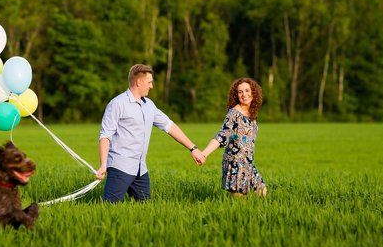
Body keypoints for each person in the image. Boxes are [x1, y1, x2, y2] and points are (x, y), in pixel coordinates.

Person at [95, 64, 205, 202]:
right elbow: (105, 136)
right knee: (109, 207)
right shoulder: (117, 104)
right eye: (149, 82)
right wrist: (103, 164)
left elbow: (169, 126)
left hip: (140, 169)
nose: (151, 86)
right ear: (138, 82)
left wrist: (193, 148)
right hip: (120, 167)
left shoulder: (149, 105)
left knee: (146, 207)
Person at [200, 77, 268, 197]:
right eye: (240, 92)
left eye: (247, 90)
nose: (244, 94)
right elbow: (222, 135)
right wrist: (204, 153)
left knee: (262, 191)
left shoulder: (251, 114)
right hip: (235, 164)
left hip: (248, 164)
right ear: (236, 95)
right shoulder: (233, 114)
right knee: (239, 202)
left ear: (253, 92)